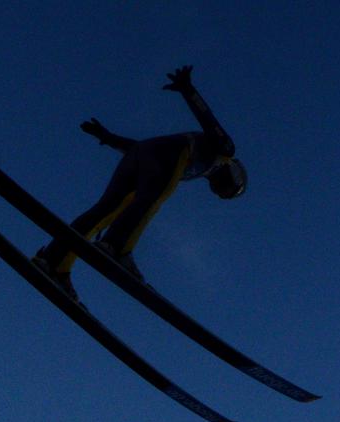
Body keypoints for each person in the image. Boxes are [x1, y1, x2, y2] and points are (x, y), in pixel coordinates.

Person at [32, 65, 247, 301]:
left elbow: (144, 150)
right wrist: (188, 89)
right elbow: (209, 120)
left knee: (107, 208)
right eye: (227, 191)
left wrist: (108, 137)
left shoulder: (199, 168)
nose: (218, 193)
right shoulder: (224, 151)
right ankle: (116, 246)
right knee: (152, 199)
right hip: (163, 154)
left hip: (138, 154)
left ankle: (54, 261)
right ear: (235, 176)